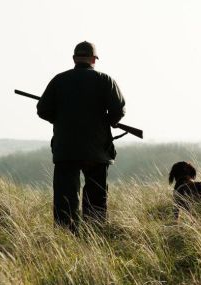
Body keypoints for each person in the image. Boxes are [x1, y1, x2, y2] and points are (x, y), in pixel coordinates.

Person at [37, 41, 125, 232]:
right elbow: (119, 110)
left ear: (75, 59)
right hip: (98, 150)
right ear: (94, 59)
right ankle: (93, 234)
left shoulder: (59, 80)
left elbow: (42, 110)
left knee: (65, 198)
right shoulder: (105, 80)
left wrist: (60, 121)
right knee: (96, 197)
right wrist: (110, 121)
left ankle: (66, 235)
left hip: (66, 149)